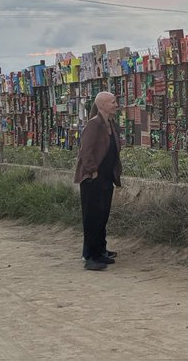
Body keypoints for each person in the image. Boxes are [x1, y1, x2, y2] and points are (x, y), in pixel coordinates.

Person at [74, 91, 122, 271]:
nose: (116, 105)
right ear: (102, 105)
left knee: (103, 214)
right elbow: (85, 151)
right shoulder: (94, 125)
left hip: (106, 177)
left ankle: (100, 249)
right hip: (93, 178)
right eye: (112, 102)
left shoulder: (110, 124)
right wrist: (92, 171)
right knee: (92, 216)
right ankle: (90, 256)